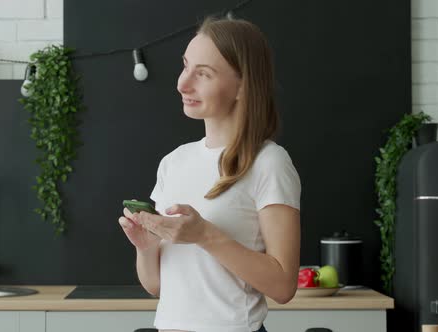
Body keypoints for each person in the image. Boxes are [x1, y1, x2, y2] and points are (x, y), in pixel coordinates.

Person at [118, 17, 301, 332]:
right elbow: (159, 287)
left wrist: (205, 235)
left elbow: (283, 286)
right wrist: (145, 246)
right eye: (185, 66)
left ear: (243, 85)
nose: (182, 83)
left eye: (202, 74)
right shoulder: (173, 163)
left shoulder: (269, 162)